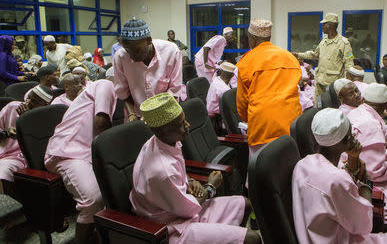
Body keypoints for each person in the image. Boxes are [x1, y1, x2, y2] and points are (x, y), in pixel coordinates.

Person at [292, 108, 387, 244]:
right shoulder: (336, 179)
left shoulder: (303, 164)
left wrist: (354, 158)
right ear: (348, 139)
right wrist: (366, 182)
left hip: (325, 235)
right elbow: (364, 225)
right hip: (349, 239)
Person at [130, 93, 261, 244]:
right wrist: (211, 186)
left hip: (181, 208)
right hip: (170, 228)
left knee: (244, 203)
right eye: (180, 124)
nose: (187, 125)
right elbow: (188, 209)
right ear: (161, 131)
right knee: (253, 239)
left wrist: (189, 180)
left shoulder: (163, 141)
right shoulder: (162, 170)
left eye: (184, 119)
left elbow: (177, 175)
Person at [44, 80, 116, 244]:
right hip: (68, 152)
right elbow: (101, 122)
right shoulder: (105, 84)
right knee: (93, 200)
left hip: (88, 152)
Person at [236, 19, 301, 166]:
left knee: (261, 172)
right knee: (288, 169)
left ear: (252, 38)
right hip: (292, 125)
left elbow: (242, 104)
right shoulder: (289, 57)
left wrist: (249, 121)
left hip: (262, 127)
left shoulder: (246, 62)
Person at [114, 17, 182, 121]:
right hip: (137, 116)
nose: (132, 57)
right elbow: (123, 93)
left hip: (166, 114)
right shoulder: (120, 57)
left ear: (149, 40)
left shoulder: (171, 52)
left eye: (137, 50)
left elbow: (174, 90)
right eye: (128, 51)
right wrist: (131, 114)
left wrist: (153, 115)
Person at [337, 79, 387, 152]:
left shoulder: (359, 105)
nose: (357, 95)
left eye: (357, 90)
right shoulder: (345, 115)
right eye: (351, 94)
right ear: (341, 98)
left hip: (380, 134)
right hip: (368, 150)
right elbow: (364, 147)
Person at [0, 86, 53, 193]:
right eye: (28, 98)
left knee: (2, 171)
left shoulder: (46, 118)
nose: (28, 103)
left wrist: (25, 119)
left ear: (45, 105)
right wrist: (6, 133)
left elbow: (37, 150)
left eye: (34, 101)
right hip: (2, 148)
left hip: (19, 157)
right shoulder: (12, 107)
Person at [293, 13, 354, 99]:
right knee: (318, 106)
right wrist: (298, 54)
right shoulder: (323, 41)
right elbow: (314, 55)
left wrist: (349, 83)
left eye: (324, 24)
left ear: (329, 25)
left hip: (333, 85)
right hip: (320, 82)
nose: (322, 27)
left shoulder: (344, 43)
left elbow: (349, 62)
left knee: (331, 108)